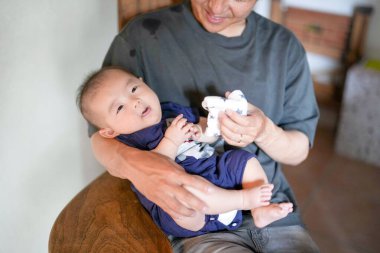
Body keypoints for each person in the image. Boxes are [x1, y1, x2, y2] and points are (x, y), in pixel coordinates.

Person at [91, 0, 320, 252]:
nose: (216, 7)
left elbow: (299, 150)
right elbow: (101, 139)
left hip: (271, 208)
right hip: (196, 220)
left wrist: (264, 131)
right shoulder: (142, 37)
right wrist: (146, 167)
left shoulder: (284, 47)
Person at [77, 66, 294, 237]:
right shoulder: (129, 139)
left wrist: (201, 131)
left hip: (215, 171)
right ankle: (245, 201)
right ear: (108, 131)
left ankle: (260, 211)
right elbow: (155, 166)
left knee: (245, 160)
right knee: (186, 198)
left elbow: (208, 133)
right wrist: (171, 140)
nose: (134, 102)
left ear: (143, 82)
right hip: (187, 206)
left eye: (133, 89)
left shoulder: (171, 110)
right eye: (119, 108)